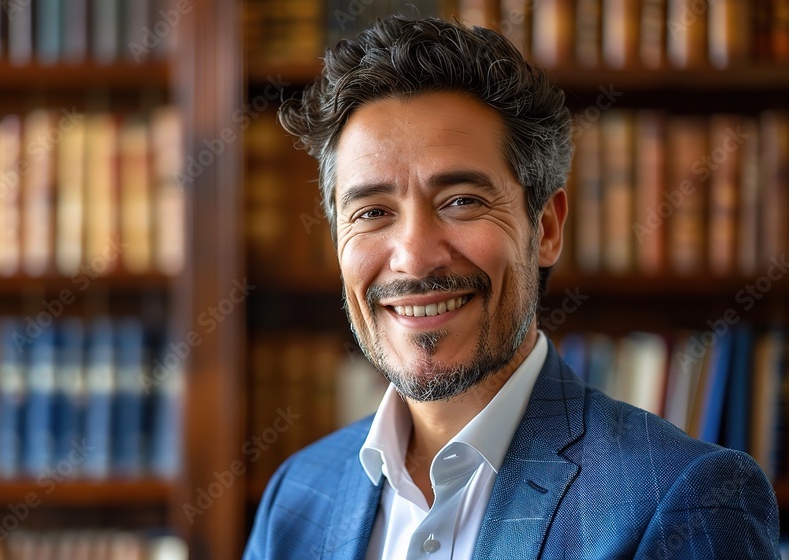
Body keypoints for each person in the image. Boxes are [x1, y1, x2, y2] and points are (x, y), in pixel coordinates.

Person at [243, 15, 780, 560]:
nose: (414, 258)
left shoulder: (684, 498)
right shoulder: (296, 497)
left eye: (461, 201)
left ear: (545, 228)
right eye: (373, 212)